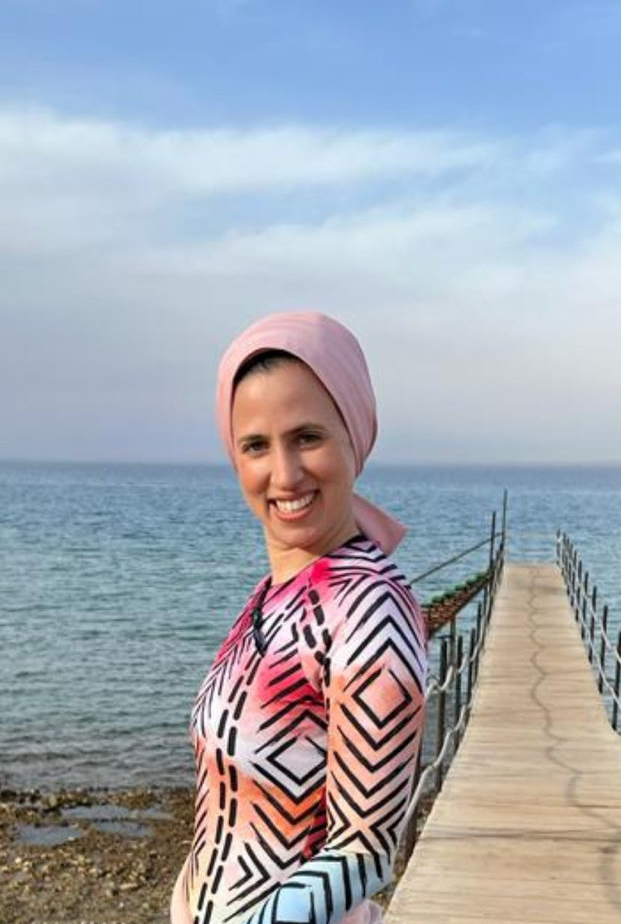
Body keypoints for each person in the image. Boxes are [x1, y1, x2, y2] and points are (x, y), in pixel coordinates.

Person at [170, 310, 428, 924]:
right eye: (256, 445)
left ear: (354, 438)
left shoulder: (368, 607)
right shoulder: (271, 596)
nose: (284, 474)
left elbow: (364, 853)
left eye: (307, 437)